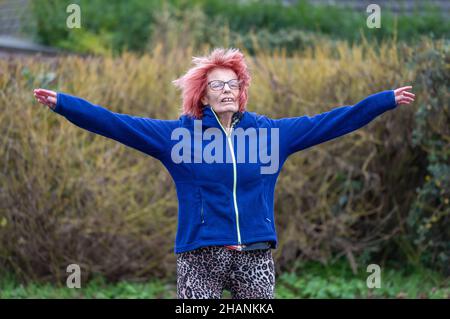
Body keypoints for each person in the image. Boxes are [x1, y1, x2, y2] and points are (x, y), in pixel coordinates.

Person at [33, 48, 415, 299]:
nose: (227, 90)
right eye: (217, 84)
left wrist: (383, 101)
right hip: (199, 255)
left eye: (233, 84)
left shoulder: (271, 134)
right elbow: (116, 123)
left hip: (255, 256)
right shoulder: (178, 137)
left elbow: (333, 121)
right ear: (203, 94)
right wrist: (65, 104)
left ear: (242, 90)